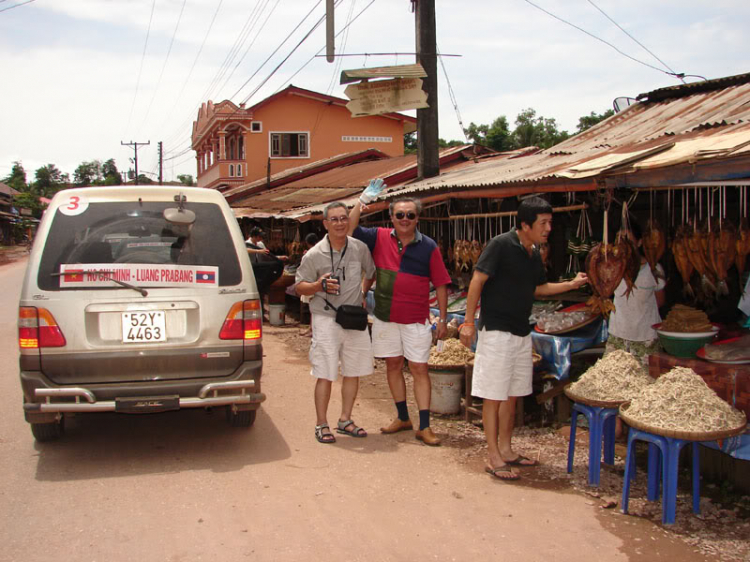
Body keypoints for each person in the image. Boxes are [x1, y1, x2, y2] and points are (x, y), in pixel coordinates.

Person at [459, 196, 588, 480]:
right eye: (543, 223)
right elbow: (477, 280)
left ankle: (506, 449)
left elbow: (539, 289)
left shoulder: (533, 253)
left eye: (550, 222)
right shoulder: (500, 245)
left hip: (520, 332)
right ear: (525, 224)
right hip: (495, 332)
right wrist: (468, 322)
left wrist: (572, 284)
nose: (548, 228)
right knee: (493, 395)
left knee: (512, 394)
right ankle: (493, 456)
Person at [349, 185, 450, 446]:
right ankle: (403, 417)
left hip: (416, 318)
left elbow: (440, 283)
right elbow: (350, 228)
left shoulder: (428, 246)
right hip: (385, 316)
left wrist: (442, 319)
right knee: (393, 365)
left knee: (419, 368)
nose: (405, 220)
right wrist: (362, 200)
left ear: (418, 218)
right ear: (391, 217)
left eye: (411, 215)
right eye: (400, 215)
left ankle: (425, 426)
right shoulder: (378, 237)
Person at [295, 202, 376, 444]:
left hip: (352, 318)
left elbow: (370, 272)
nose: (340, 223)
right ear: (326, 224)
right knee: (325, 372)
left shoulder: (360, 248)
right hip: (326, 318)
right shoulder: (314, 254)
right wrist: (318, 285)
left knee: (353, 371)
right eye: (335, 219)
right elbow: (299, 285)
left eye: (344, 218)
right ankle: (321, 424)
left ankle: (345, 420)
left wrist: (362, 294)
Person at [605, 219, 666, 368]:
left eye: (628, 240)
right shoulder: (611, 267)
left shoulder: (653, 269)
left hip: (645, 338)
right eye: (619, 240)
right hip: (617, 335)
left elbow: (661, 301)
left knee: (645, 384)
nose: (623, 245)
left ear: (639, 243)